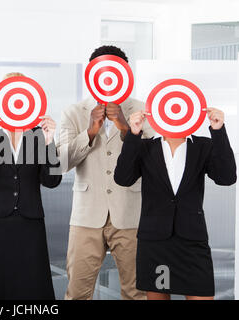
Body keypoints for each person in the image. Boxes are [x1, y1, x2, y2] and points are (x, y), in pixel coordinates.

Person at [57, 45, 154, 300]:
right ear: (91, 73)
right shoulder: (74, 112)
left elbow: (153, 162)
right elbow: (60, 162)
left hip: (130, 213)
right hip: (86, 215)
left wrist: (125, 127)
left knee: (137, 293)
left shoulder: (142, 110)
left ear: (125, 72)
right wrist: (89, 132)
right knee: (77, 293)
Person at [114, 108, 236, 300]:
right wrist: (134, 133)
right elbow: (123, 178)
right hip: (155, 241)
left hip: (191, 240)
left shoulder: (203, 146)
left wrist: (218, 130)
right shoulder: (145, 146)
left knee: (201, 293)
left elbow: (226, 177)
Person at [0, 72, 62, 300]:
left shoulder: (39, 134)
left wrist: (50, 142)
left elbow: (52, 180)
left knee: (30, 288)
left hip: (29, 224)